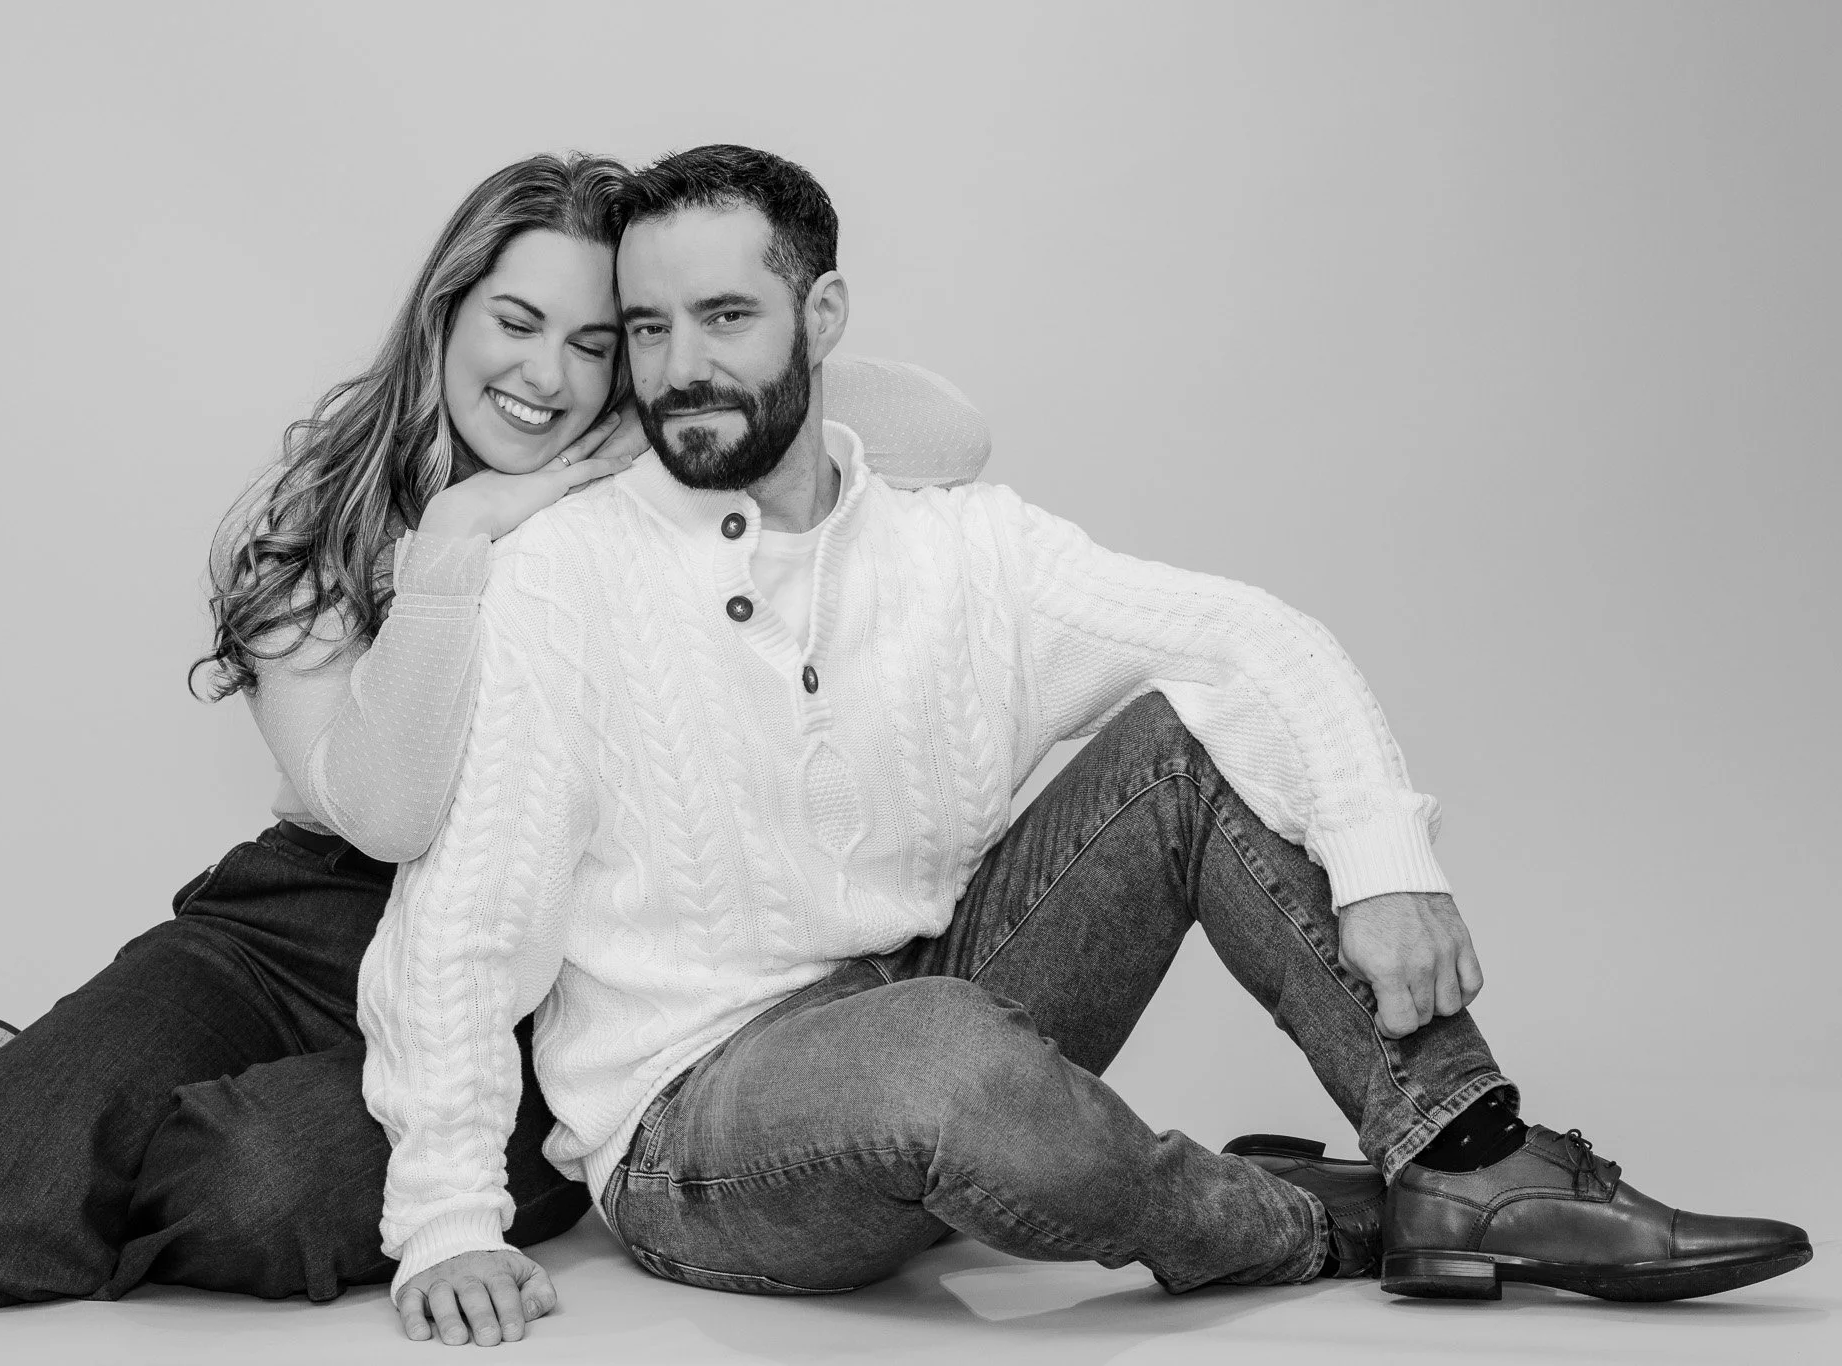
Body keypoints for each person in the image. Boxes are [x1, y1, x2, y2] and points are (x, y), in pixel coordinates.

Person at [364, 144, 1813, 1348]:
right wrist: (442, 1220)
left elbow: (1250, 637)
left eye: (727, 318)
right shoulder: (568, 569)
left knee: (1186, 737)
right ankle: (1307, 1218)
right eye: (650, 330)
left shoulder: (960, 545)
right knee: (936, 1050)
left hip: (933, 996)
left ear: (822, 317)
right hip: (701, 1126)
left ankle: (1469, 1154)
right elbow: (468, 906)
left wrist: (1382, 855)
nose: (680, 370)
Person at [0, 151, 993, 1312]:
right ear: (445, 316)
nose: (548, 375)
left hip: (537, 978)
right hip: (300, 927)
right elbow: (387, 812)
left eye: (597, 344)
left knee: (261, 1184)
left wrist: (649, 417)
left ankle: (87, 1137)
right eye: (517, 322)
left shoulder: (662, 473)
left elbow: (949, 438)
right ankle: (3, 1103)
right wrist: (456, 539)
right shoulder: (319, 516)